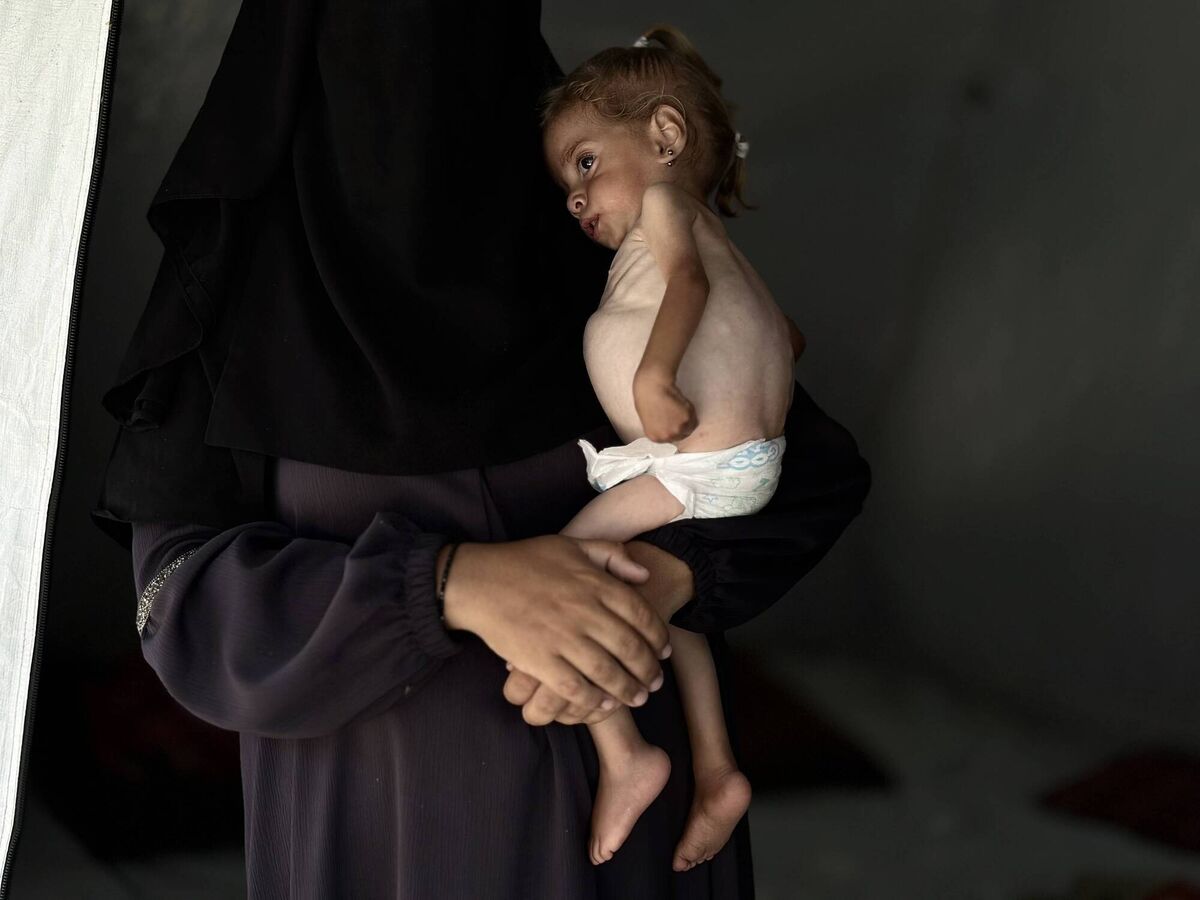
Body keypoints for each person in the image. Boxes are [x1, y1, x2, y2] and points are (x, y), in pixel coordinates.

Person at [91, 2, 871, 897]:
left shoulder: (602, 248)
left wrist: (665, 576)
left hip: (648, 859)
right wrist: (450, 585)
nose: (420, 98)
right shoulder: (238, 315)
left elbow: (803, 467)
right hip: (389, 850)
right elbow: (182, 605)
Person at [534, 24, 809, 872]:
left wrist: (656, 374)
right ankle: (718, 769)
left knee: (564, 578)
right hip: (723, 469)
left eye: (585, 164)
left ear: (662, 135)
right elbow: (787, 337)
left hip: (692, 461)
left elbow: (684, 288)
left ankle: (627, 758)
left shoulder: (664, 209)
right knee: (678, 609)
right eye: (566, 187)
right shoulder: (723, 239)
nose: (577, 201)